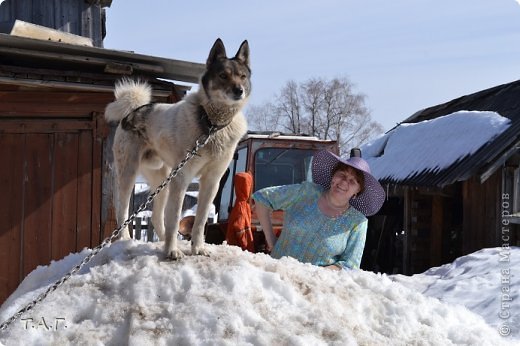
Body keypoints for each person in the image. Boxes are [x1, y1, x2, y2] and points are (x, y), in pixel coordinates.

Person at [252, 150, 385, 270]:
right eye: (342, 174)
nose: (344, 182)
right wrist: (271, 241)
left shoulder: (357, 222)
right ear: (333, 177)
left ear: (357, 191)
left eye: (353, 181)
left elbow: (350, 265)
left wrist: (316, 274)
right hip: (275, 277)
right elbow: (262, 198)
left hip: (312, 290)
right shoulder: (307, 192)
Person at [226, 172, 255, 252]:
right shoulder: (242, 205)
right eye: (248, 185)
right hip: (239, 249)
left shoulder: (243, 204)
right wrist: (246, 246)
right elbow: (240, 228)